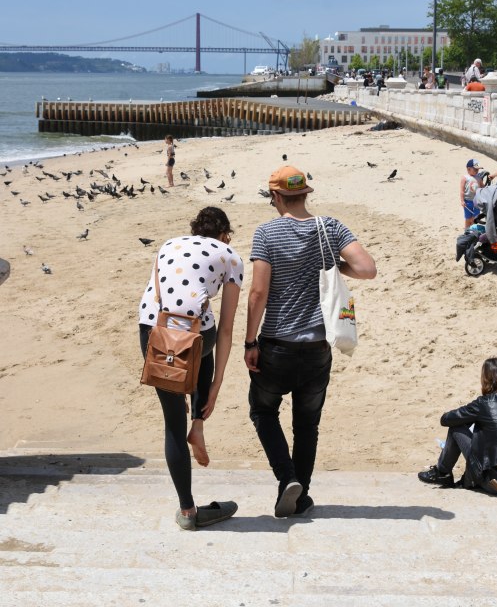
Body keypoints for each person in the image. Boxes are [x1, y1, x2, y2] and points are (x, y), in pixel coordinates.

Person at [244, 166, 377, 518]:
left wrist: (249, 341)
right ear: (306, 194)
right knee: (307, 425)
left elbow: (258, 292)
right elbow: (367, 268)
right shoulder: (330, 227)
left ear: (275, 197)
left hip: (277, 343)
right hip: (318, 346)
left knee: (262, 410)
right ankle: (300, 494)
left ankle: (287, 478)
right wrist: (335, 266)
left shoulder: (266, 234)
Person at [139, 207, 244, 530]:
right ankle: (197, 422)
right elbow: (226, 329)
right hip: (197, 338)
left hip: (153, 332)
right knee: (204, 334)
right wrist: (216, 384)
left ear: (194, 230)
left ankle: (187, 510)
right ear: (225, 233)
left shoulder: (169, 244)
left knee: (172, 422)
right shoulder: (230, 256)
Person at [418, 358, 497, 496]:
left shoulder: (483, 403)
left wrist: (471, 418)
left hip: (495, 483)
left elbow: (446, 419)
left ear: (486, 380)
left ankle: (442, 473)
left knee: (457, 428)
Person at [460, 159, 483, 228]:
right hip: (467, 202)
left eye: (478, 170)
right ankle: (467, 231)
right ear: (469, 169)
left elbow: (483, 186)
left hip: (477, 202)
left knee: (475, 218)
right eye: (475, 169)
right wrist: (462, 200)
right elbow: (462, 190)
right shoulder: (465, 178)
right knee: (468, 218)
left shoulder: (479, 178)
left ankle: (473, 231)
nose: (477, 171)